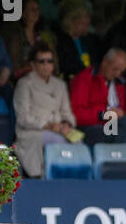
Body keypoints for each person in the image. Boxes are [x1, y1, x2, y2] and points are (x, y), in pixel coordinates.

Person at [12, 42, 77, 178]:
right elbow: (23, 117)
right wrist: (49, 126)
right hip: (33, 132)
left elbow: (67, 112)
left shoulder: (60, 85)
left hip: (59, 129)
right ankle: (49, 178)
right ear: (33, 64)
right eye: (41, 61)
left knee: (79, 142)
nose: (46, 65)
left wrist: (67, 125)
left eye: (50, 61)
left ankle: (74, 181)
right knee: (57, 141)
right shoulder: (25, 83)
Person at [70, 48, 126, 146]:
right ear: (105, 62)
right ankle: (120, 159)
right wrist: (104, 115)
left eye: (121, 71)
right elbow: (76, 114)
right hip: (89, 128)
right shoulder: (84, 79)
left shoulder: (119, 83)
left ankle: (120, 157)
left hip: (112, 126)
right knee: (124, 124)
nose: (117, 74)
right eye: (115, 69)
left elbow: (119, 111)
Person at [2, 0, 55, 80]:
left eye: (37, 9)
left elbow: (53, 60)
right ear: (22, 13)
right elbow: (14, 65)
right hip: (23, 79)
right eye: (32, 9)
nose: (36, 12)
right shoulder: (15, 35)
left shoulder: (43, 35)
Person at [55, 0, 102, 81]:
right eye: (82, 24)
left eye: (87, 24)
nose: (85, 28)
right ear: (71, 21)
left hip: (91, 79)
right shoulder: (62, 40)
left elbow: (97, 60)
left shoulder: (91, 39)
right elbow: (65, 66)